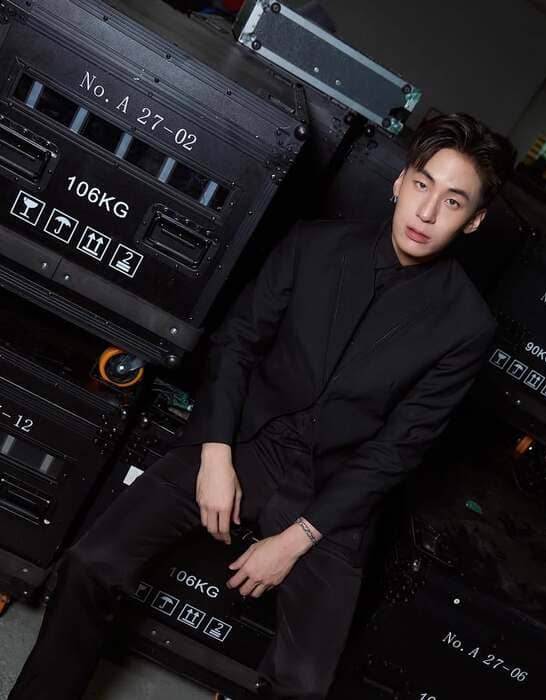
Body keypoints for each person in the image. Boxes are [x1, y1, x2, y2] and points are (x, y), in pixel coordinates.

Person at [9, 112, 516, 699]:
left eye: (452, 201)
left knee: (302, 685)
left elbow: (398, 449)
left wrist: (297, 539)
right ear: (400, 181)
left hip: (335, 490)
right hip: (248, 443)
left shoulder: (466, 326)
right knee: (91, 563)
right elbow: (237, 345)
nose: (426, 212)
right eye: (423, 185)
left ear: (474, 220)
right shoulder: (313, 244)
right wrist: (215, 455)